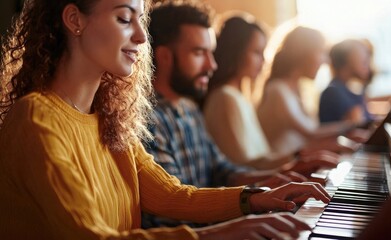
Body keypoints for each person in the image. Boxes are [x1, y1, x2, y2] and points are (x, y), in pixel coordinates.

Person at [0, 0, 332, 239]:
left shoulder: (108, 120)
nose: (142, 38)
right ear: (74, 19)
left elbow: (172, 194)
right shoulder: (36, 119)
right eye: (123, 18)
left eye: (139, 21)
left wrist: (256, 197)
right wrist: (222, 234)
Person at [143, 0, 331, 229]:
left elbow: (224, 171)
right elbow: (172, 212)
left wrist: (282, 176)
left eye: (211, 53)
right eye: (199, 53)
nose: (212, 65)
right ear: (164, 57)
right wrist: (251, 207)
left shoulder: (189, 109)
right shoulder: (148, 119)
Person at [204, 14, 340, 171]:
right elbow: (245, 166)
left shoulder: (238, 96)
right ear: (236, 52)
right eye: (256, 52)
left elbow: (261, 159)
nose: (264, 60)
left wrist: (305, 155)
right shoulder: (225, 97)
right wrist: (300, 157)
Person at [257, 26, 356, 155]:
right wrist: (352, 125)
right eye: (321, 52)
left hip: (295, 165)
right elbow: (311, 133)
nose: (326, 60)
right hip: (283, 169)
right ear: (304, 53)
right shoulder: (277, 90)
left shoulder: (296, 89)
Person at [319, 39, 373, 124]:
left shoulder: (352, 90)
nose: (367, 59)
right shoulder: (332, 93)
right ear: (347, 60)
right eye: (363, 59)